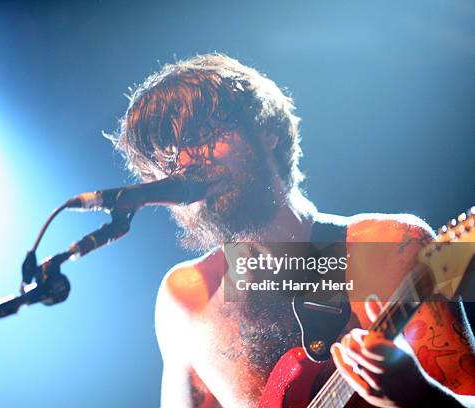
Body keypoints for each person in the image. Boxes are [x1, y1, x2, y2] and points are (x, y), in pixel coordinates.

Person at [108, 54, 474, 407]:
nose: (187, 163)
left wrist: (420, 397)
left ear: (266, 130)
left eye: (204, 135)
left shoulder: (393, 246)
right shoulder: (186, 298)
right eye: (167, 157)